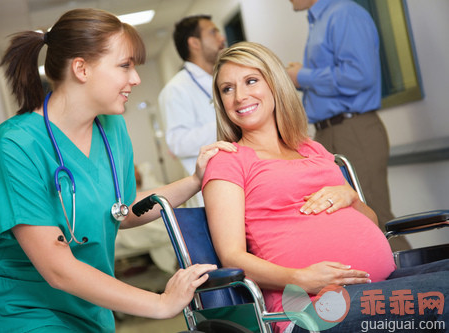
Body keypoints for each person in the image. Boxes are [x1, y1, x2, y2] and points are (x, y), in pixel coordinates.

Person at [0, 8, 237, 333]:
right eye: (125, 66)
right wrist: (160, 302)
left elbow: (122, 210)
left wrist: (196, 180)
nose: (136, 79)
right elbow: (57, 268)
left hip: (92, 310)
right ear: (81, 68)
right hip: (25, 312)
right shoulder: (14, 146)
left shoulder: (112, 129)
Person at [203, 41, 449, 333]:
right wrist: (301, 278)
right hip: (312, 309)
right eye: (227, 89)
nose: (239, 96)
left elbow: (370, 221)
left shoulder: (312, 149)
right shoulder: (228, 160)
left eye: (251, 81)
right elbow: (232, 256)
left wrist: (351, 198)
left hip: (378, 286)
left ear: (275, 85)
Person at [285, 0, 410, 252]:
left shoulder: (345, 14)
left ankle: (419, 286)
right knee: (350, 221)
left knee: (376, 215)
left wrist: (303, 76)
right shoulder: (320, 19)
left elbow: (359, 76)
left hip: (353, 130)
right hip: (328, 133)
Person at [158, 15, 226, 206]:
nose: (222, 38)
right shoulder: (176, 89)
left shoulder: (221, 76)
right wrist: (227, 122)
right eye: (213, 32)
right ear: (194, 43)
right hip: (210, 192)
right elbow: (178, 143)